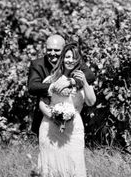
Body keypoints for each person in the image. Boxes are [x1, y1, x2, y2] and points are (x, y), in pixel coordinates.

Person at [37, 42, 96, 177]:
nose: (70, 60)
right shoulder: (52, 79)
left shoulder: (81, 80)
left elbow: (91, 101)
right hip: (50, 128)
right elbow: (42, 103)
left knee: (74, 164)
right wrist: (54, 117)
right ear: (62, 58)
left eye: (74, 57)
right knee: (51, 167)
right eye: (67, 57)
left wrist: (85, 82)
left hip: (74, 130)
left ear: (79, 60)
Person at [28, 35, 96, 137]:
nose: (52, 53)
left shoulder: (72, 60)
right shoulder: (37, 64)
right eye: (49, 50)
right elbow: (32, 87)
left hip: (71, 118)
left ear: (64, 49)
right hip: (45, 116)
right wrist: (56, 87)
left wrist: (70, 82)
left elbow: (90, 75)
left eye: (56, 50)